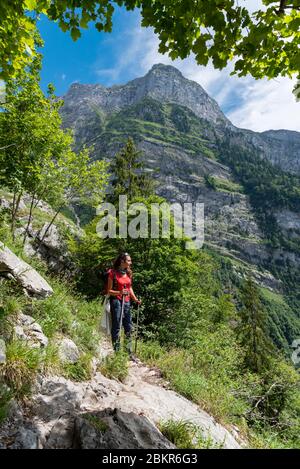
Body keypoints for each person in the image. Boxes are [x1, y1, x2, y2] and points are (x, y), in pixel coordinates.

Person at [107, 252, 141, 360]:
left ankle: (129, 353)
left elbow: (129, 287)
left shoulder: (128, 273)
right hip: (116, 301)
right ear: (122, 261)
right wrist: (120, 293)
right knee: (117, 326)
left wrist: (134, 298)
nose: (130, 262)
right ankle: (117, 353)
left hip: (126, 302)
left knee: (128, 327)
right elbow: (109, 291)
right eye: (129, 260)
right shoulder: (112, 273)